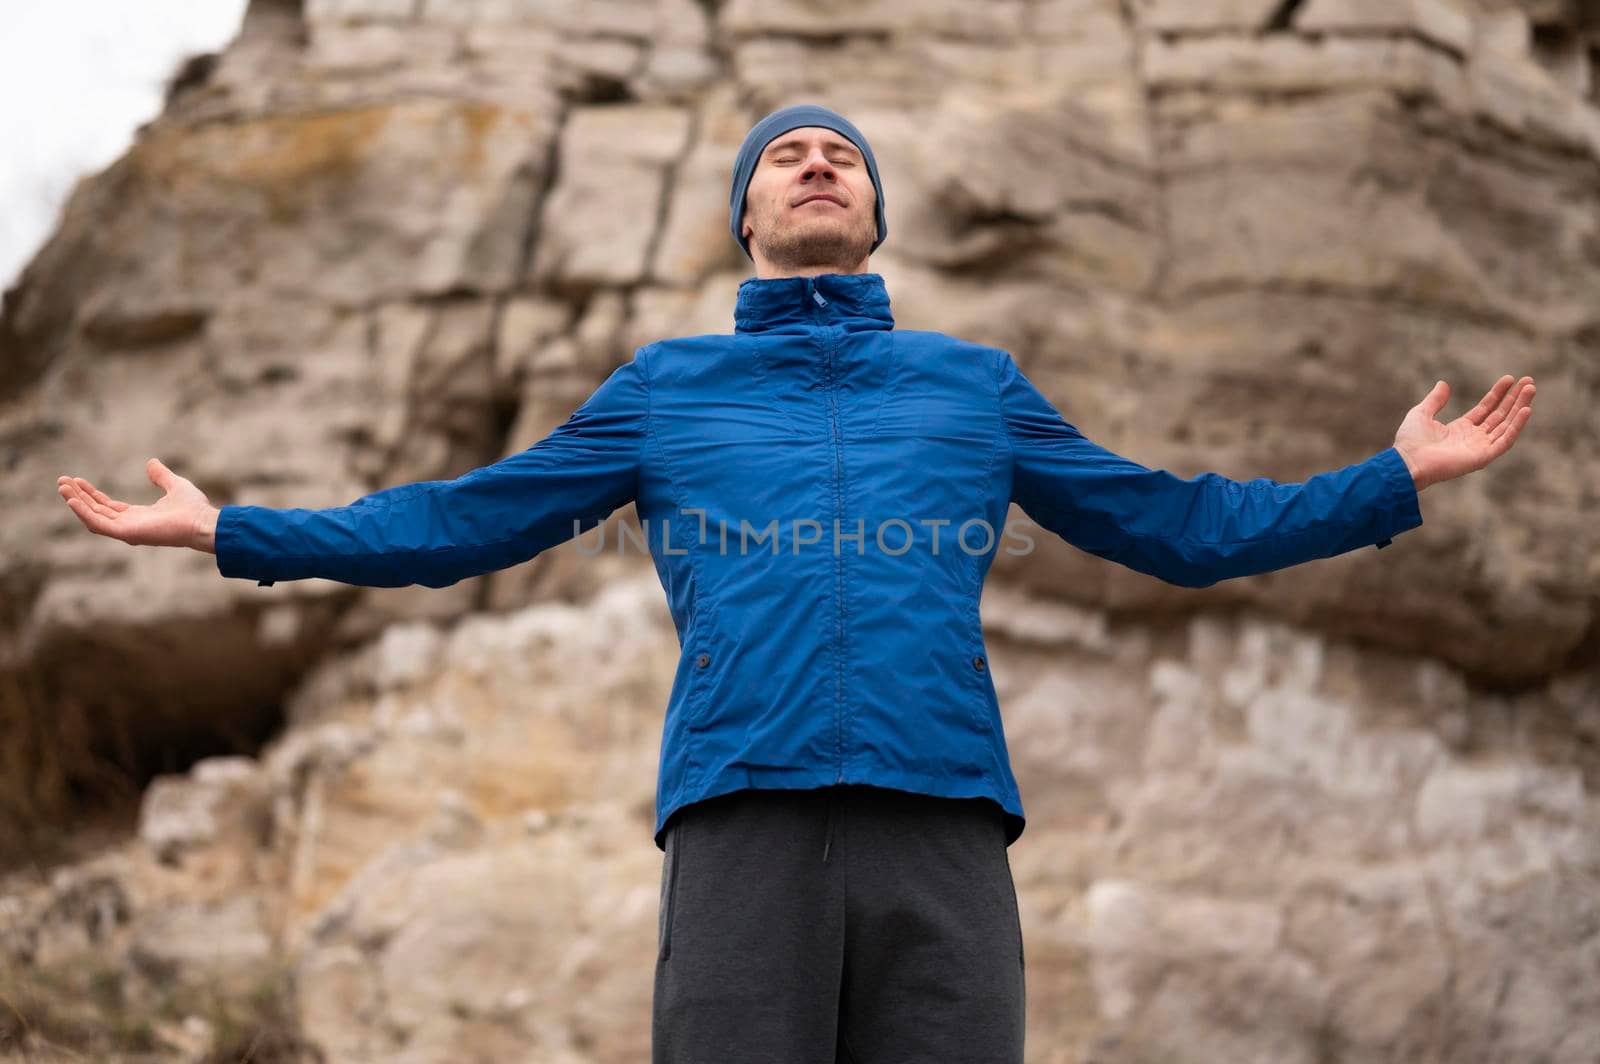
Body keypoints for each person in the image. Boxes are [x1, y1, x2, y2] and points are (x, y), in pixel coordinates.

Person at [58, 104, 1536, 1063]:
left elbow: (1179, 525)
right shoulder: (666, 388)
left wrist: (1389, 480)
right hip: (740, 817)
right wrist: (230, 530)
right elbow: (462, 519)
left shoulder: (974, 386)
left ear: (876, 219)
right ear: (746, 219)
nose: (818, 163)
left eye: (844, 157)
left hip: (945, 825)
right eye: (785, 155)